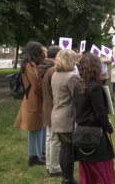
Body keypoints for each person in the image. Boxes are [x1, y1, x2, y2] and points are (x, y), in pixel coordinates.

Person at [74, 53, 115, 184]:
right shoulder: (94, 86)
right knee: (102, 169)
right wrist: (109, 127)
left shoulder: (79, 85)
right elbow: (100, 113)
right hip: (94, 133)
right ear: (95, 67)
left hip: (81, 130)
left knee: (88, 170)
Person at [14, 41, 46, 167]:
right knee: (34, 129)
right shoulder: (30, 65)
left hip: (35, 99)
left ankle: (38, 153)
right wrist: (46, 95)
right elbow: (37, 85)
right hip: (33, 99)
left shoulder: (31, 64)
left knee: (38, 127)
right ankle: (33, 156)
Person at [51, 50, 80, 184]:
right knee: (68, 148)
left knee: (64, 147)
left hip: (56, 115)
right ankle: (68, 179)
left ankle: (65, 177)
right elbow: (77, 97)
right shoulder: (72, 77)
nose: (76, 62)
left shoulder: (55, 74)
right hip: (66, 117)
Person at [38, 45, 62, 177]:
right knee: (55, 139)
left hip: (47, 105)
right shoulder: (53, 70)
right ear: (57, 56)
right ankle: (54, 168)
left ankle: (50, 165)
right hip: (53, 106)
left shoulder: (45, 67)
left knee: (49, 138)